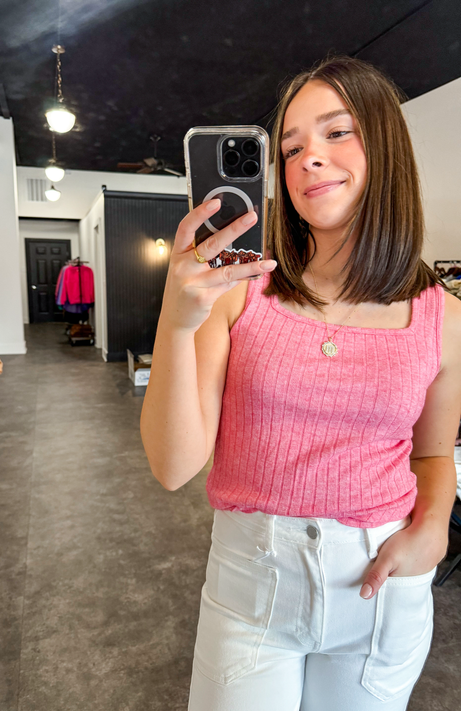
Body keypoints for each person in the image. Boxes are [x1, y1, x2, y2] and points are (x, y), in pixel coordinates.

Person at [140, 55, 461, 711]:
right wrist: (176, 321)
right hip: (250, 587)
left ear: (386, 147)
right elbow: (172, 466)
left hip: (380, 589)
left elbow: (432, 453)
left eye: (336, 132)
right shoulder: (240, 291)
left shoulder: (442, 314)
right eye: (289, 147)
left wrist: (433, 528)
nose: (308, 158)